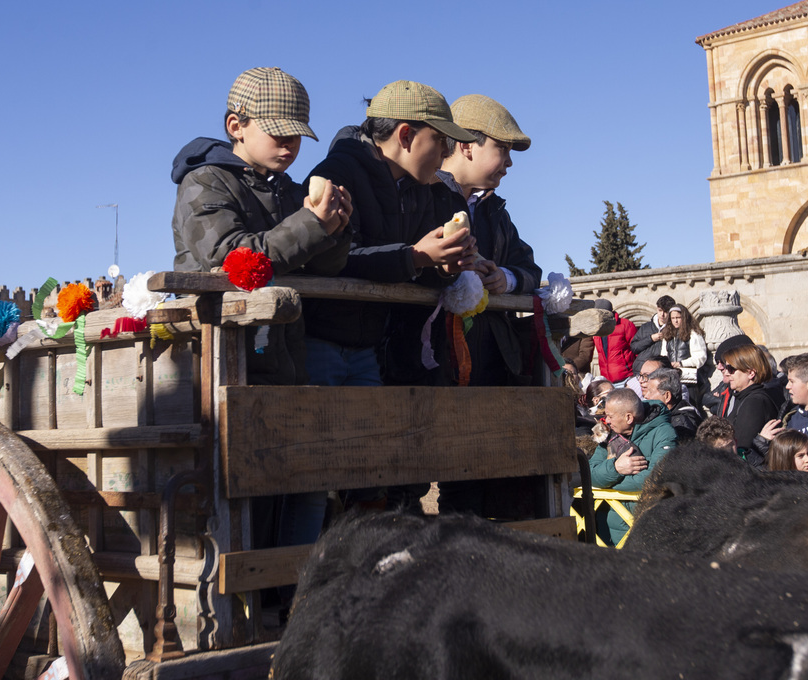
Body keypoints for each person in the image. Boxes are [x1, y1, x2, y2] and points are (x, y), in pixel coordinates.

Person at [169, 67, 354, 594]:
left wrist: (337, 227)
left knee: (296, 484)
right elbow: (230, 261)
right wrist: (312, 225)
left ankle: (285, 598)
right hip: (227, 363)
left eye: (297, 135)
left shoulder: (288, 188)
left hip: (283, 364)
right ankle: (250, 605)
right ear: (237, 126)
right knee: (244, 495)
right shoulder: (205, 182)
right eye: (280, 134)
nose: (291, 146)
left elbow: (325, 266)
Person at [303, 79, 477, 389]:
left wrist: (446, 266)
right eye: (439, 139)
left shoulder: (421, 190)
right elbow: (333, 260)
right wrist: (416, 256)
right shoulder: (337, 175)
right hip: (317, 341)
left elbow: (416, 270)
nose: (445, 153)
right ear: (406, 135)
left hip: (370, 347)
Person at [433, 94, 540, 385]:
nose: (509, 162)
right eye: (502, 149)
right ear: (466, 145)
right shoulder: (425, 196)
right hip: (434, 358)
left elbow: (530, 270)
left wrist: (507, 279)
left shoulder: (496, 212)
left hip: (494, 359)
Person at [588, 389, 677, 545]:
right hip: (609, 535)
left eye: (610, 416)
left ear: (628, 417)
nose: (606, 421)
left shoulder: (664, 434)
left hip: (648, 531)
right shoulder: (610, 434)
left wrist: (608, 486)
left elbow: (655, 478)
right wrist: (615, 468)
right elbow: (589, 474)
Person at [719, 343, 780, 465]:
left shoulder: (754, 402)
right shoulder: (743, 397)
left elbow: (742, 446)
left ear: (751, 373)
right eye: (726, 368)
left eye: (731, 369)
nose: (726, 373)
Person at [639, 367, 703, 441]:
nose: (646, 396)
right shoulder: (668, 416)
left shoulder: (680, 426)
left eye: (650, 392)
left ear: (667, 396)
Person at [660, 305, 708, 399]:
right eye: (673, 318)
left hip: (689, 379)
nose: (675, 321)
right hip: (672, 379)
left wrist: (681, 363)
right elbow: (663, 355)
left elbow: (701, 356)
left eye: (678, 317)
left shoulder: (693, 334)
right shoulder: (667, 336)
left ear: (684, 318)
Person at [591, 299, 638, 385]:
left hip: (626, 378)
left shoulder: (625, 325)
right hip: (607, 380)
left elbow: (637, 349)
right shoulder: (596, 329)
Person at [630, 295, 676, 368]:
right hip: (641, 367)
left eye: (666, 312)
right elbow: (634, 347)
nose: (662, 315)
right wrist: (651, 338)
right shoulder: (646, 327)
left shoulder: (675, 328)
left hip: (662, 369)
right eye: (660, 310)